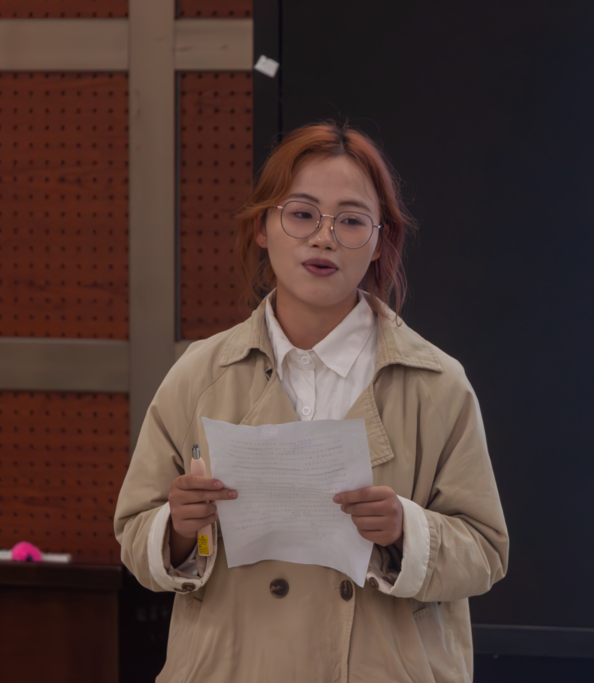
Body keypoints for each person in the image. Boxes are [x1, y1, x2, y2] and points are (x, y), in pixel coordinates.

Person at [113, 121, 508, 682]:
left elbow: (486, 551)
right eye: (301, 214)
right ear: (262, 227)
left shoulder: (437, 383)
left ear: (379, 240)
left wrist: (406, 528)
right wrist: (177, 527)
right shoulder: (199, 374)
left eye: (351, 221)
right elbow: (134, 533)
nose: (324, 238)